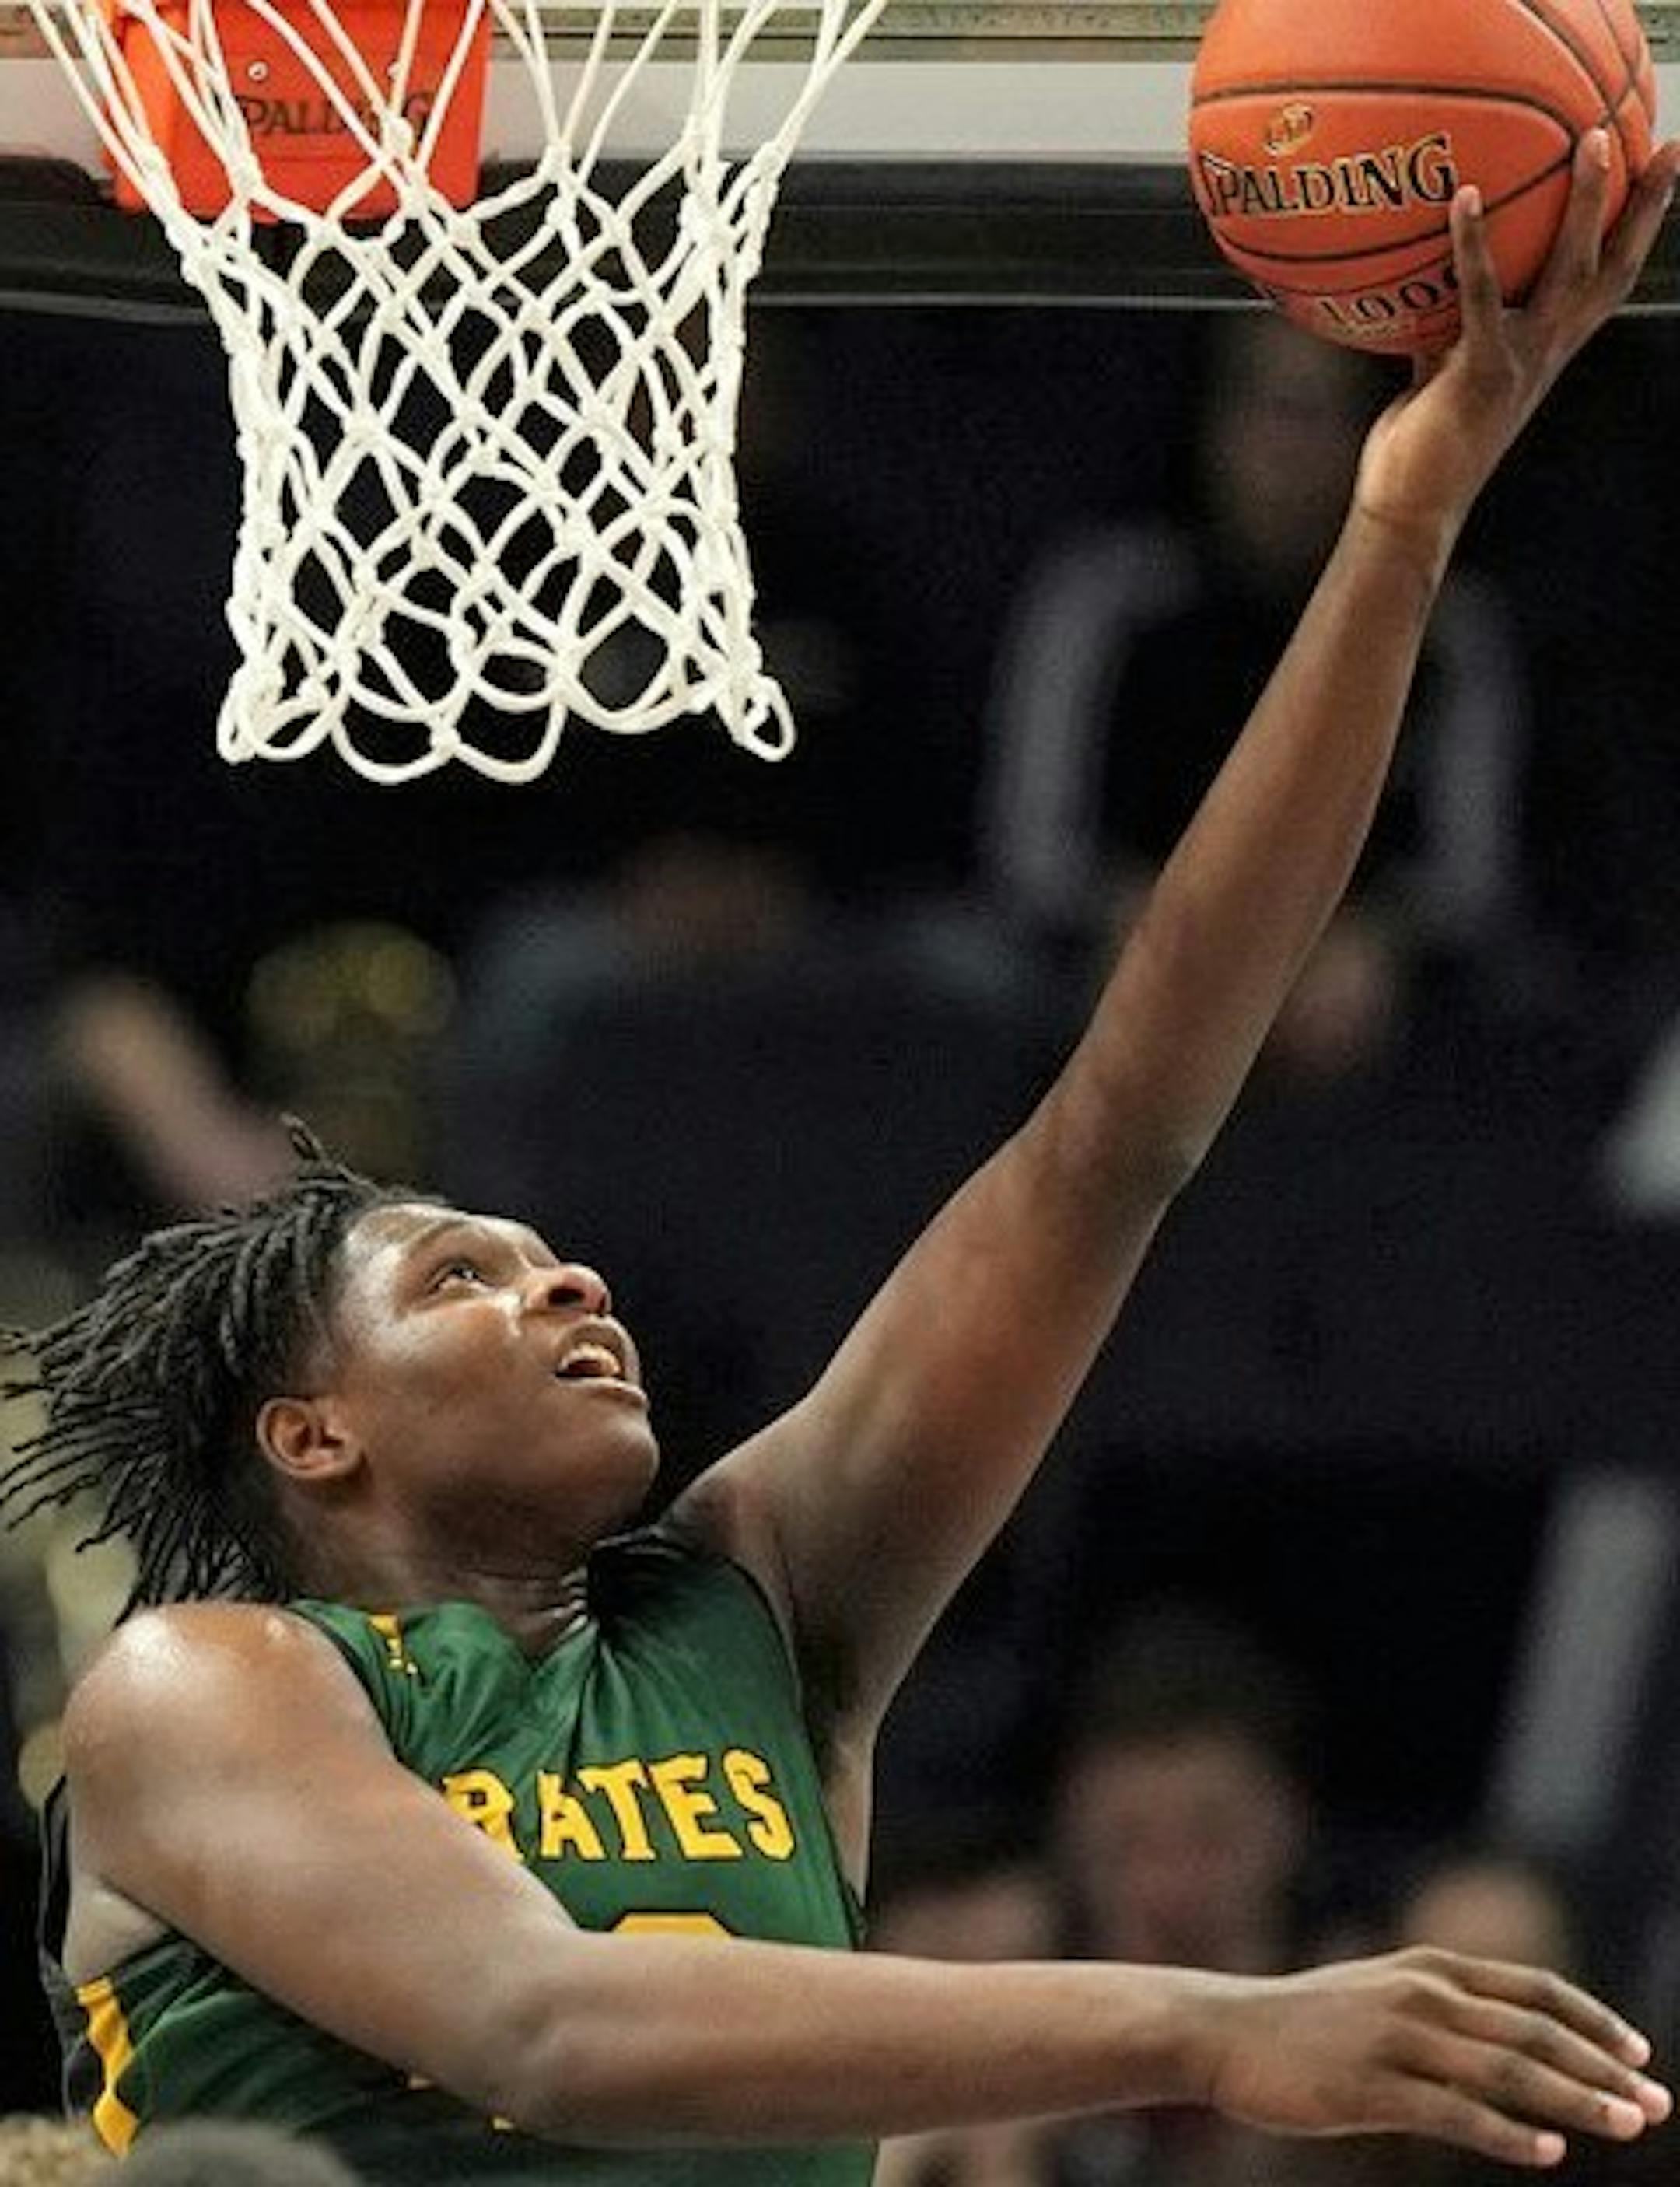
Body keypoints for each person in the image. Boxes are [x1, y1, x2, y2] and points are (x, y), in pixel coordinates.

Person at [2, 137, 1677, 2187]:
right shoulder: (211, 1683)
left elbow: (1117, 1131)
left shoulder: (754, 1605)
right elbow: (550, 2019)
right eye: (463, 1276)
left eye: (544, 1257)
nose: (569, 1282)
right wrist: (1218, 2021)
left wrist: (1399, 531)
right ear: (310, 1435)